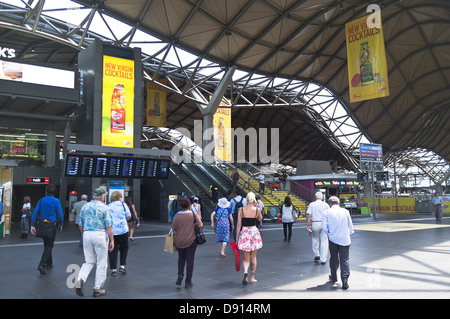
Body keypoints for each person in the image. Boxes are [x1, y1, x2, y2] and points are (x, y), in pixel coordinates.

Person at [75, 188, 114, 297]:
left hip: (87, 234)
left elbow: (80, 223)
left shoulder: (85, 206)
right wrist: (112, 240)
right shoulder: (104, 208)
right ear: (102, 196)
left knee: (89, 261)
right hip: (100, 234)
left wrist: (83, 234)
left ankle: (80, 279)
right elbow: (109, 226)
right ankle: (98, 288)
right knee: (102, 262)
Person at [30, 184, 64, 275]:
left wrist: (32, 225)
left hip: (42, 225)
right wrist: (61, 224)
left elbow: (35, 213)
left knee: (47, 244)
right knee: (49, 245)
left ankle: (49, 263)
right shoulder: (56, 201)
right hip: (51, 225)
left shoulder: (41, 200)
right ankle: (41, 264)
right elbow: (60, 214)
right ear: (55, 192)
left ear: (47, 192)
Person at [321, 196, 354, 290]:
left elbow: (324, 227)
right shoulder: (346, 211)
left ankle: (334, 276)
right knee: (345, 259)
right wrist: (349, 233)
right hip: (345, 239)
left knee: (334, 258)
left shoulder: (326, 212)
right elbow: (350, 226)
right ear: (339, 203)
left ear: (329, 204)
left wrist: (328, 233)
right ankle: (345, 281)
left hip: (333, 239)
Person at [172, 198, 203, 288]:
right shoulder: (193, 214)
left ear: (181, 206)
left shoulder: (177, 215)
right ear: (189, 205)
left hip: (179, 240)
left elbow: (173, 228)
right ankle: (188, 281)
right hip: (191, 240)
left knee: (181, 259)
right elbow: (200, 225)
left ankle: (180, 275)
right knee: (190, 260)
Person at [236, 192, 263, 285]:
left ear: (246, 199)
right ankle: (252, 277)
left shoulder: (241, 210)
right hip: (253, 232)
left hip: (244, 232)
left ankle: (245, 272)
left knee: (246, 258)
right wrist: (257, 207)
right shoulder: (257, 210)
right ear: (254, 199)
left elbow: (239, 224)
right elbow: (260, 219)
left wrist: (237, 237)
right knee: (253, 257)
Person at [108, 191, 131, 276]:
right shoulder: (123, 205)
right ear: (119, 197)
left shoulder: (108, 206)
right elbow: (129, 216)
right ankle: (122, 266)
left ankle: (113, 269)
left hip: (112, 231)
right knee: (124, 248)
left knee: (112, 249)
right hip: (123, 230)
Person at [306, 191, 330, 264]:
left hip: (315, 223)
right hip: (323, 223)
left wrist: (308, 225)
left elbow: (309, 215)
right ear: (322, 197)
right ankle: (323, 259)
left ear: (315, 197)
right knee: (324, 241)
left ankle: (317, 255)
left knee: (315, 239)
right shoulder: (326, 205)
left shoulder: (312, 204)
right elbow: (329, 215)